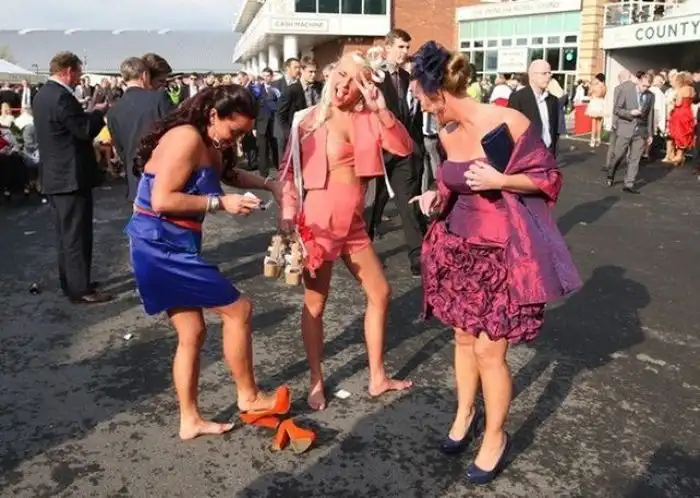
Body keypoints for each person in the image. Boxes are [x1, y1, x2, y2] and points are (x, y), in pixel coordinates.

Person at [409, 42, 581, 485]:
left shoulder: (508, 121)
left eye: (423, 99)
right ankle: (465, 413)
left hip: (503, 254)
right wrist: (435, 196)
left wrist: (501, 178)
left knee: (490, 351)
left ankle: (495, 435)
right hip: (459, 251)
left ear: (439, 93)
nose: (423, 108)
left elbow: (548, 179)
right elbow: (453, 183)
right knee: (463, 338)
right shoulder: (448, 134)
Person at [126, 85, 290, 440]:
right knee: (239, 309)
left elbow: (228, 174)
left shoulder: (212, 141)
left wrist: (270, 185)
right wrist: (221, 203)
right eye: (234, 131)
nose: (237, 141)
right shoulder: (186, 137)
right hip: (159, 244)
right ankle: (249, 397)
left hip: (175, 243)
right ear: (214, 115)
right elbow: (162, 200)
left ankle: (190, 421)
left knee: (192, 333)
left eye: (243, 134)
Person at [279, 52, 414, 411]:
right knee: (316, 304)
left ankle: (377, 376)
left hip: (353, 224)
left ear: (365, 86)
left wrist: (382, 109)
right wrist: (289, 213)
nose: (344, 84)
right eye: (341, 74)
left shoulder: (370, 118)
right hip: (318, 225)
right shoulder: (308, 119)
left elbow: (404, 148)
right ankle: (316, 380)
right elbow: (287, 172)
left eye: (355, 80)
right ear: (331, 73)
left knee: (381, 293)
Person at [32, 51, 113, 303]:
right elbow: (84, 130)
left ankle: (72, 282)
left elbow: (67, 127)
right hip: (70, 177)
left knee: (65, 235)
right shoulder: (62, 97)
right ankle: (81, 289)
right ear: (68, 71)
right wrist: (98, 113)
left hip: (55, 176)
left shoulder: (42, 95)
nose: (80, 77)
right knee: (77, 235)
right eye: (78, 71)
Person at [108, 56, 175, 201]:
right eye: (161, 81)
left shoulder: (113, 111)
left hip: (135, 186)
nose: (163, 86)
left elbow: (121, 151)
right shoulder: (158, 99)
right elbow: (177, 134)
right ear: (145, 76)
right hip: (163, 182)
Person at [508, 60, 560, 157]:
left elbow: (554, 129)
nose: (548, 76)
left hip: (548, 155)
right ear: (532, 76)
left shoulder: (553, 100)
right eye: (544, 73)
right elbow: (511, 130)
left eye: (549, 73)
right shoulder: (518, 98)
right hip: (527, 155)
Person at [667, 71, 696, 167]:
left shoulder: (681, 90)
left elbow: (678, 103)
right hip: (688, 112)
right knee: (684, 133)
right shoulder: (692, 89)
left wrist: (673, 102)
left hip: (680, 113)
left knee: (678, 134)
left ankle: (678, 156)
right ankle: (681, 156)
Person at [586, 73, 606, 148]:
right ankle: (598, 139)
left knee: (594, 123)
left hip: (594, 103)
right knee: (599, 123)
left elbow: (589, 93)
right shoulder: (604, 86)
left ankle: (592, 140)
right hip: (601, 103)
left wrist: (590, 87)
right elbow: (603, 95)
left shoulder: (594, 85)